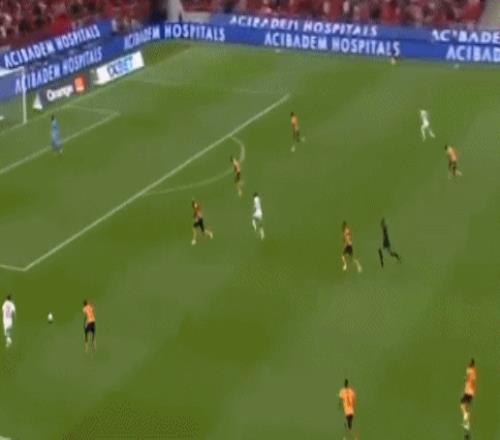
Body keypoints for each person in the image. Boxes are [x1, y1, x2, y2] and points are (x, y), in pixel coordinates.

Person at [460, 359, 476, 435]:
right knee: (466, 406)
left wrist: (464, 390)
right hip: (471, 392)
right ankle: (467, 423)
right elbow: (470, 380)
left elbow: (467, 379)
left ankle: (466, 420)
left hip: (468, 391)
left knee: (463, 405)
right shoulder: (474, 371)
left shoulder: (469, 370)